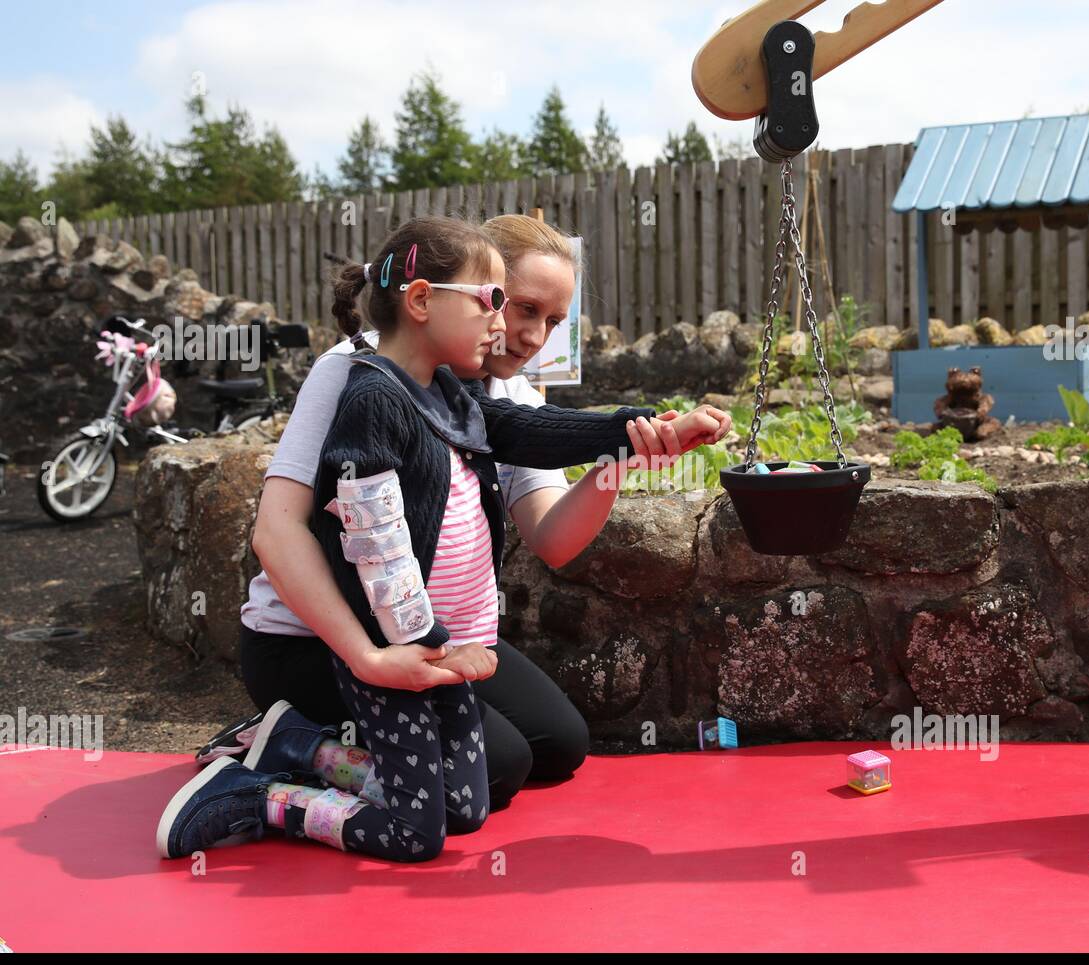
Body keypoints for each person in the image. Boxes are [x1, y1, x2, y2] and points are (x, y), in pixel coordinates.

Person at [158, 216, 729, 861]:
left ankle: (333, 749)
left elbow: (553, 538)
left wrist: (627, 453)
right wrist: (367, 657)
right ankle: (287, 745)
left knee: (559, 744)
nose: (530, 336)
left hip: (434, 634)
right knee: (498, 768)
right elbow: (279, 530)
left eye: (553, 320)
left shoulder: (492, 394)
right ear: (442, 294)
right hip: (320, 641)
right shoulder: (358, 374)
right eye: (516, 307)